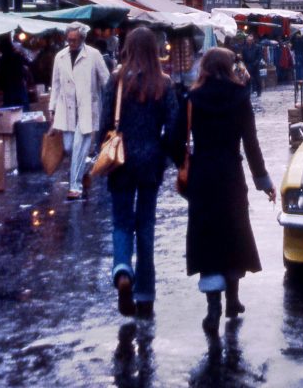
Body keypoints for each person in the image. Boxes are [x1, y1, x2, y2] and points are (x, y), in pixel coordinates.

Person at [179, 47, 275, 333]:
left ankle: (213, 308)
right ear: (229, 67)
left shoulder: (193, 98)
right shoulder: (240, 97)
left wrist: (181, 166)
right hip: (231, 175)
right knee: (233, 234)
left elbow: (175, 139)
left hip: (203, 175)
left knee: (207, 236)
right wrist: (263, 181)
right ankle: (233, 299)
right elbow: (251, 143)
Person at [98, 27, 179, 318]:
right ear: (154, 48)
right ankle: (145, 295)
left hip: (121, 162)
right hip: (150, 163)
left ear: (128, 48)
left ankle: (122, 272)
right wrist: (167, 155)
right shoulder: (164, 83)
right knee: (145, 227)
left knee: (121, 223)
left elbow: (105, 121)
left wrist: (102, 152)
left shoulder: (116, 80)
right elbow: (173, 126)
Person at [49, 25, 111, 200]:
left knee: (77, 147)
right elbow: (56, 85)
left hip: (86, 109)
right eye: (69, 39)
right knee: (69, 147)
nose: (71, 43)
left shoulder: (94, 55)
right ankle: (86, 168)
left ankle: (74, 187)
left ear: (82, 39)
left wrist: (107, 104)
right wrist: (52, 109)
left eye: (74, 40)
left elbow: (106, 81)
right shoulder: (59, 57)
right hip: (66, 109)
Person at [0, 36, 31, 109]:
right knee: (24, 116)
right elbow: (28, 69)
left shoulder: (0, 61)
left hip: (8, 94)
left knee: (11, 117)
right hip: (20, 91)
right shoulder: (19, 57)